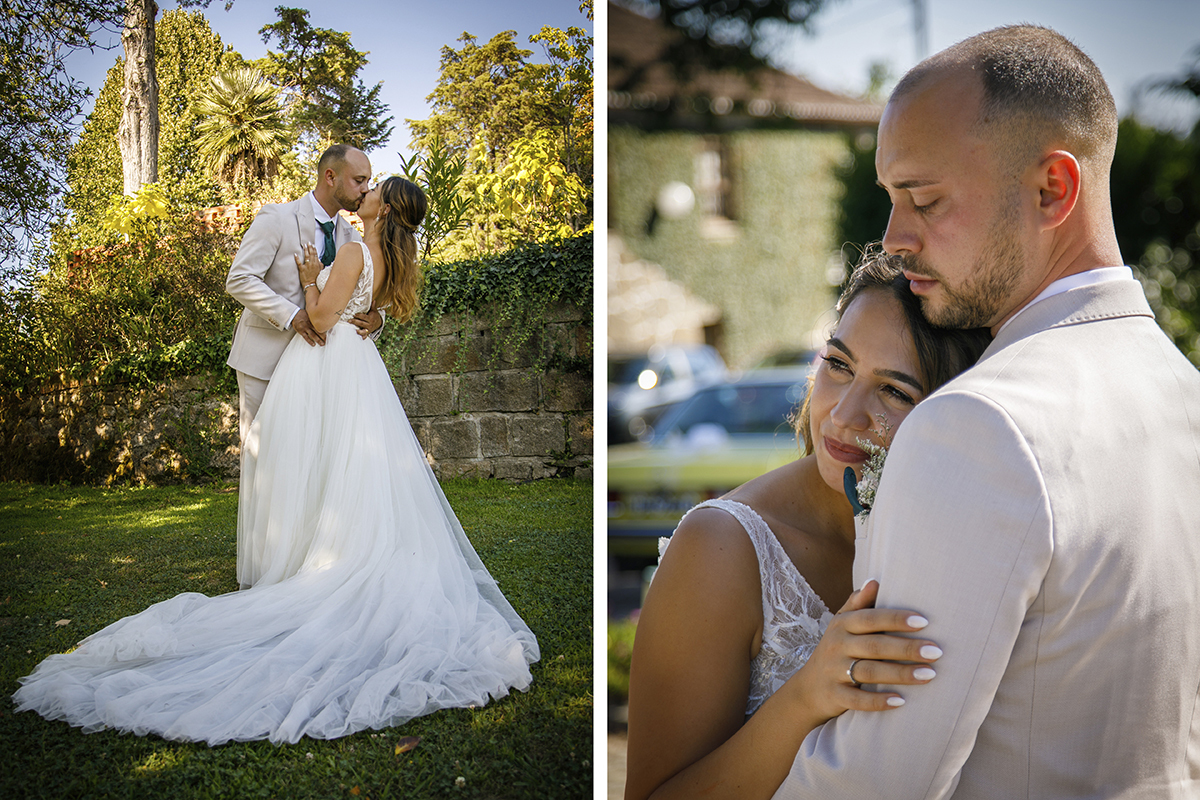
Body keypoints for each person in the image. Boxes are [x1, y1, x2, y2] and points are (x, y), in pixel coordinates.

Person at [771, 26, 1200, 798]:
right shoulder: (1183, 391)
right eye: (890, 200)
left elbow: (872, 783)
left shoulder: (978, 424)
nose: (894, 240)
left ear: (1052, 190)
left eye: (924, 200)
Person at [12, 177, 540, 745]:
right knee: (343, 471)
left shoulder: (359, 249)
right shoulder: (386, 255)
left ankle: (304, 566)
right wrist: (365, 310)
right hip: (357, 368)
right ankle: (317, 551)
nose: (364, 190)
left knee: (308, 464)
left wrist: (313, 281)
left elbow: (319, 318)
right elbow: (370, 306)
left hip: (325, 362)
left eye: (373, 187)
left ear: (382, 206)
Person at [623, 251, 992, 800]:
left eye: (894, 391)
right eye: (839, 366)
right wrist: (807, 695)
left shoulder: (969, 539)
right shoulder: (722, 548)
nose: (844, 415)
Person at [226, 143, 381, 449]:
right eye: (358, 180)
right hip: (265, 357)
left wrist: (377, 320)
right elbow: (240, 279)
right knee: (261, 452)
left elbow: (358, 297)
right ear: (330, 176)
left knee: (306, 455)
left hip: (319, 362)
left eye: (368, 182)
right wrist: (292, 315)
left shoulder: (352, 237)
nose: (366, 189)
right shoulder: (277, 218)